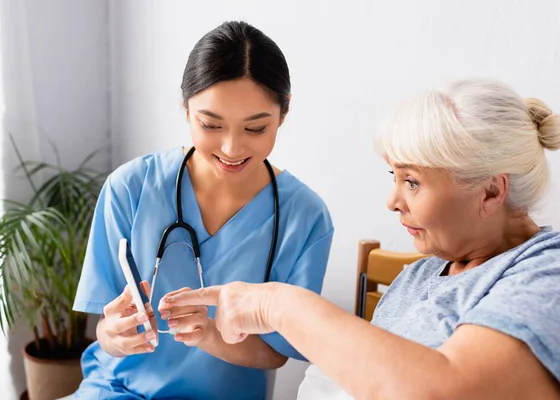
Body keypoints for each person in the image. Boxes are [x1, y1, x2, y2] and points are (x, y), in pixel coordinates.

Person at [165, 78, 560, 399]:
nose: (393, 202)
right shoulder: (420, 276)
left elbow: (442, 390)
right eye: (395, 178)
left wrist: (276, 305)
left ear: (490, 191)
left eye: (412, 181)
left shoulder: (547, 273)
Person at [72, 21, 334, 399]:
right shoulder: (130, 188)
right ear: (185, 108)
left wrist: (210, 335)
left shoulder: (305, 218)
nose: (231, 148)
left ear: (284, 112)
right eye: (211, 124)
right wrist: (111, 336)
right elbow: (106, 329)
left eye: (256, 129)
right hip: (117, 390)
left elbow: (277, 353)